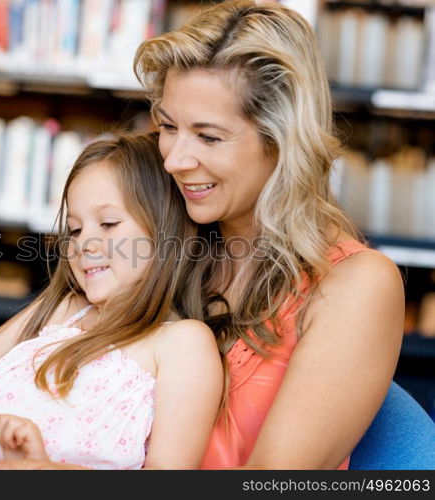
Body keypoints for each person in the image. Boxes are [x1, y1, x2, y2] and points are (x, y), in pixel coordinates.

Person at [131, 0, 404, 470]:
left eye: (209, 137)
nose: (174, 160)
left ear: (282, 141)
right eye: (168, 127)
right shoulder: (162, 234)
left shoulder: (356, 286)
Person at [0, 133, 223, 470]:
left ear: (168, 232)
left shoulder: (182, 342)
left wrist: (50, 471)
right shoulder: (63, 310)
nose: (84, 244)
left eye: (108, 224)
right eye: (75, 230)